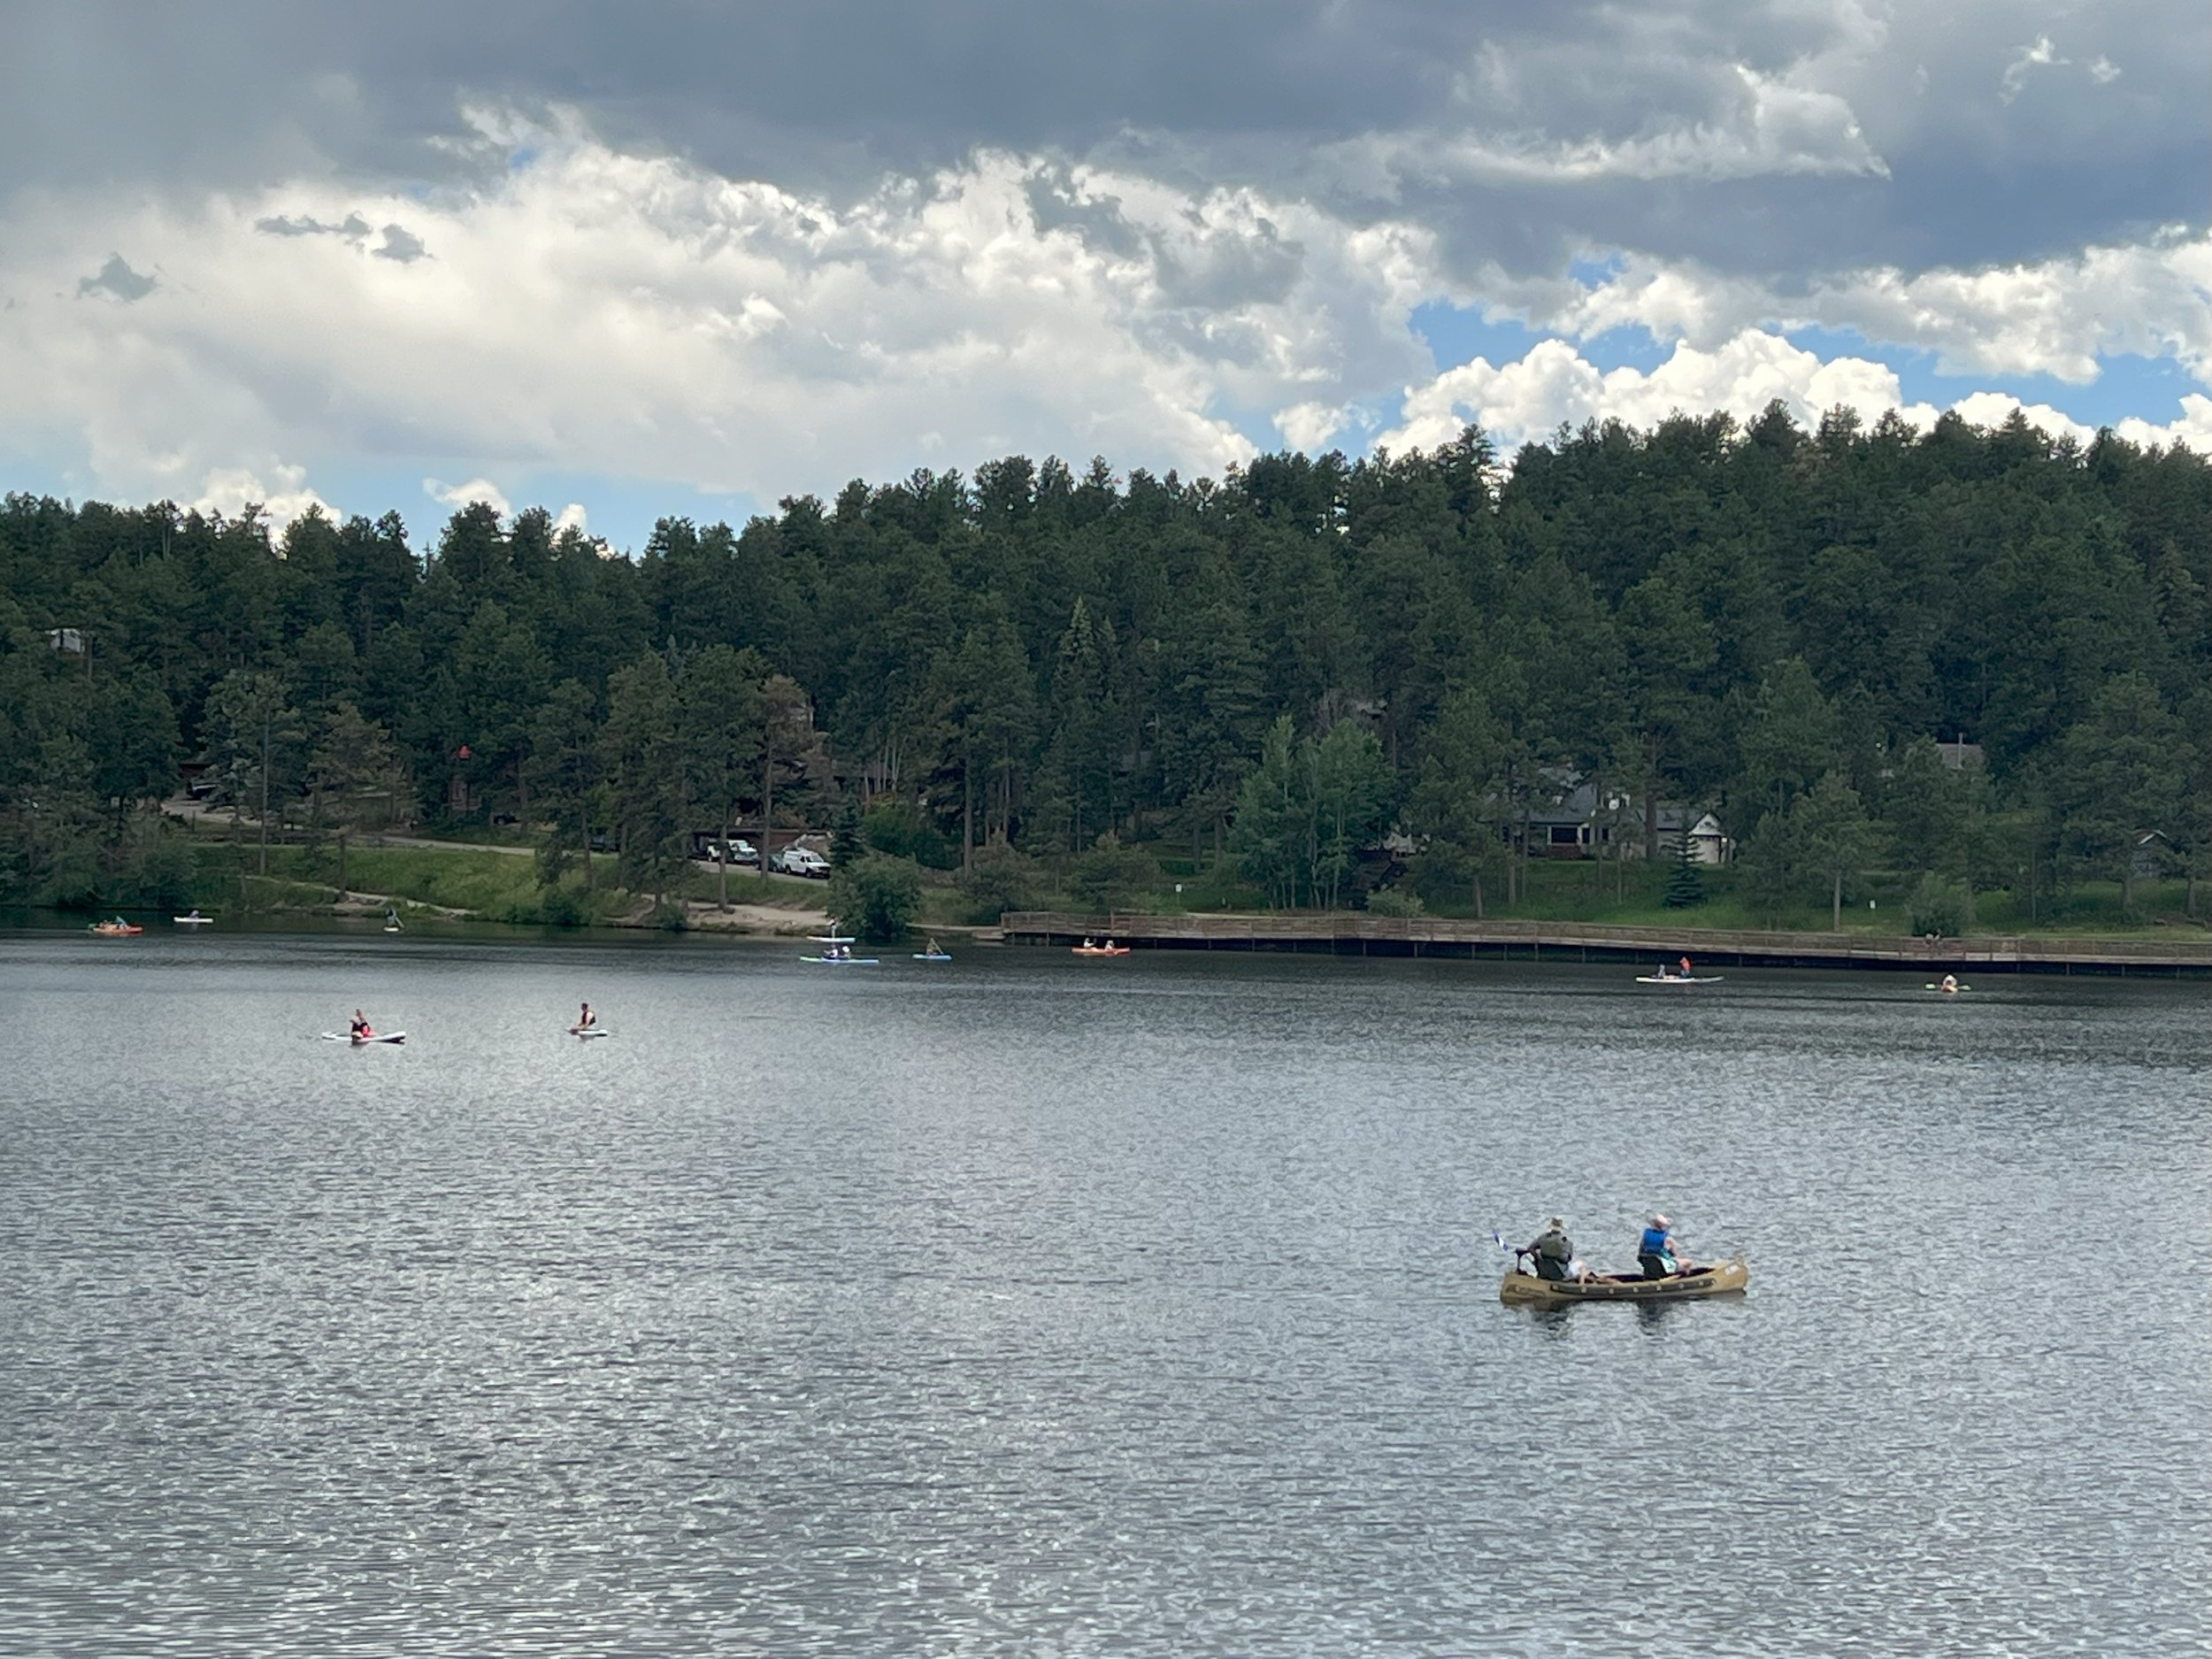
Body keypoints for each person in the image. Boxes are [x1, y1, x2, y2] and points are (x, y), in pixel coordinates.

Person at [1521, 1216, 1576, 1282]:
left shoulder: (1543, 1237)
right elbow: (1566, 1259)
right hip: (1559, 1275)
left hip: (1543, 1272)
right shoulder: (1566, 1242)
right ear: (1561, 1228)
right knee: (1578, 1266)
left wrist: (1537, 1257)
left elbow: (1530, 1248)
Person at [1637, 1214, 1680, 1279]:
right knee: (1687, 1263)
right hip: (1663, 1268)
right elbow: (1675, 1255)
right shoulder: (1668, 1239)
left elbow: (1640, 1252)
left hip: (1648, 1266)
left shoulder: (1646, 1234)